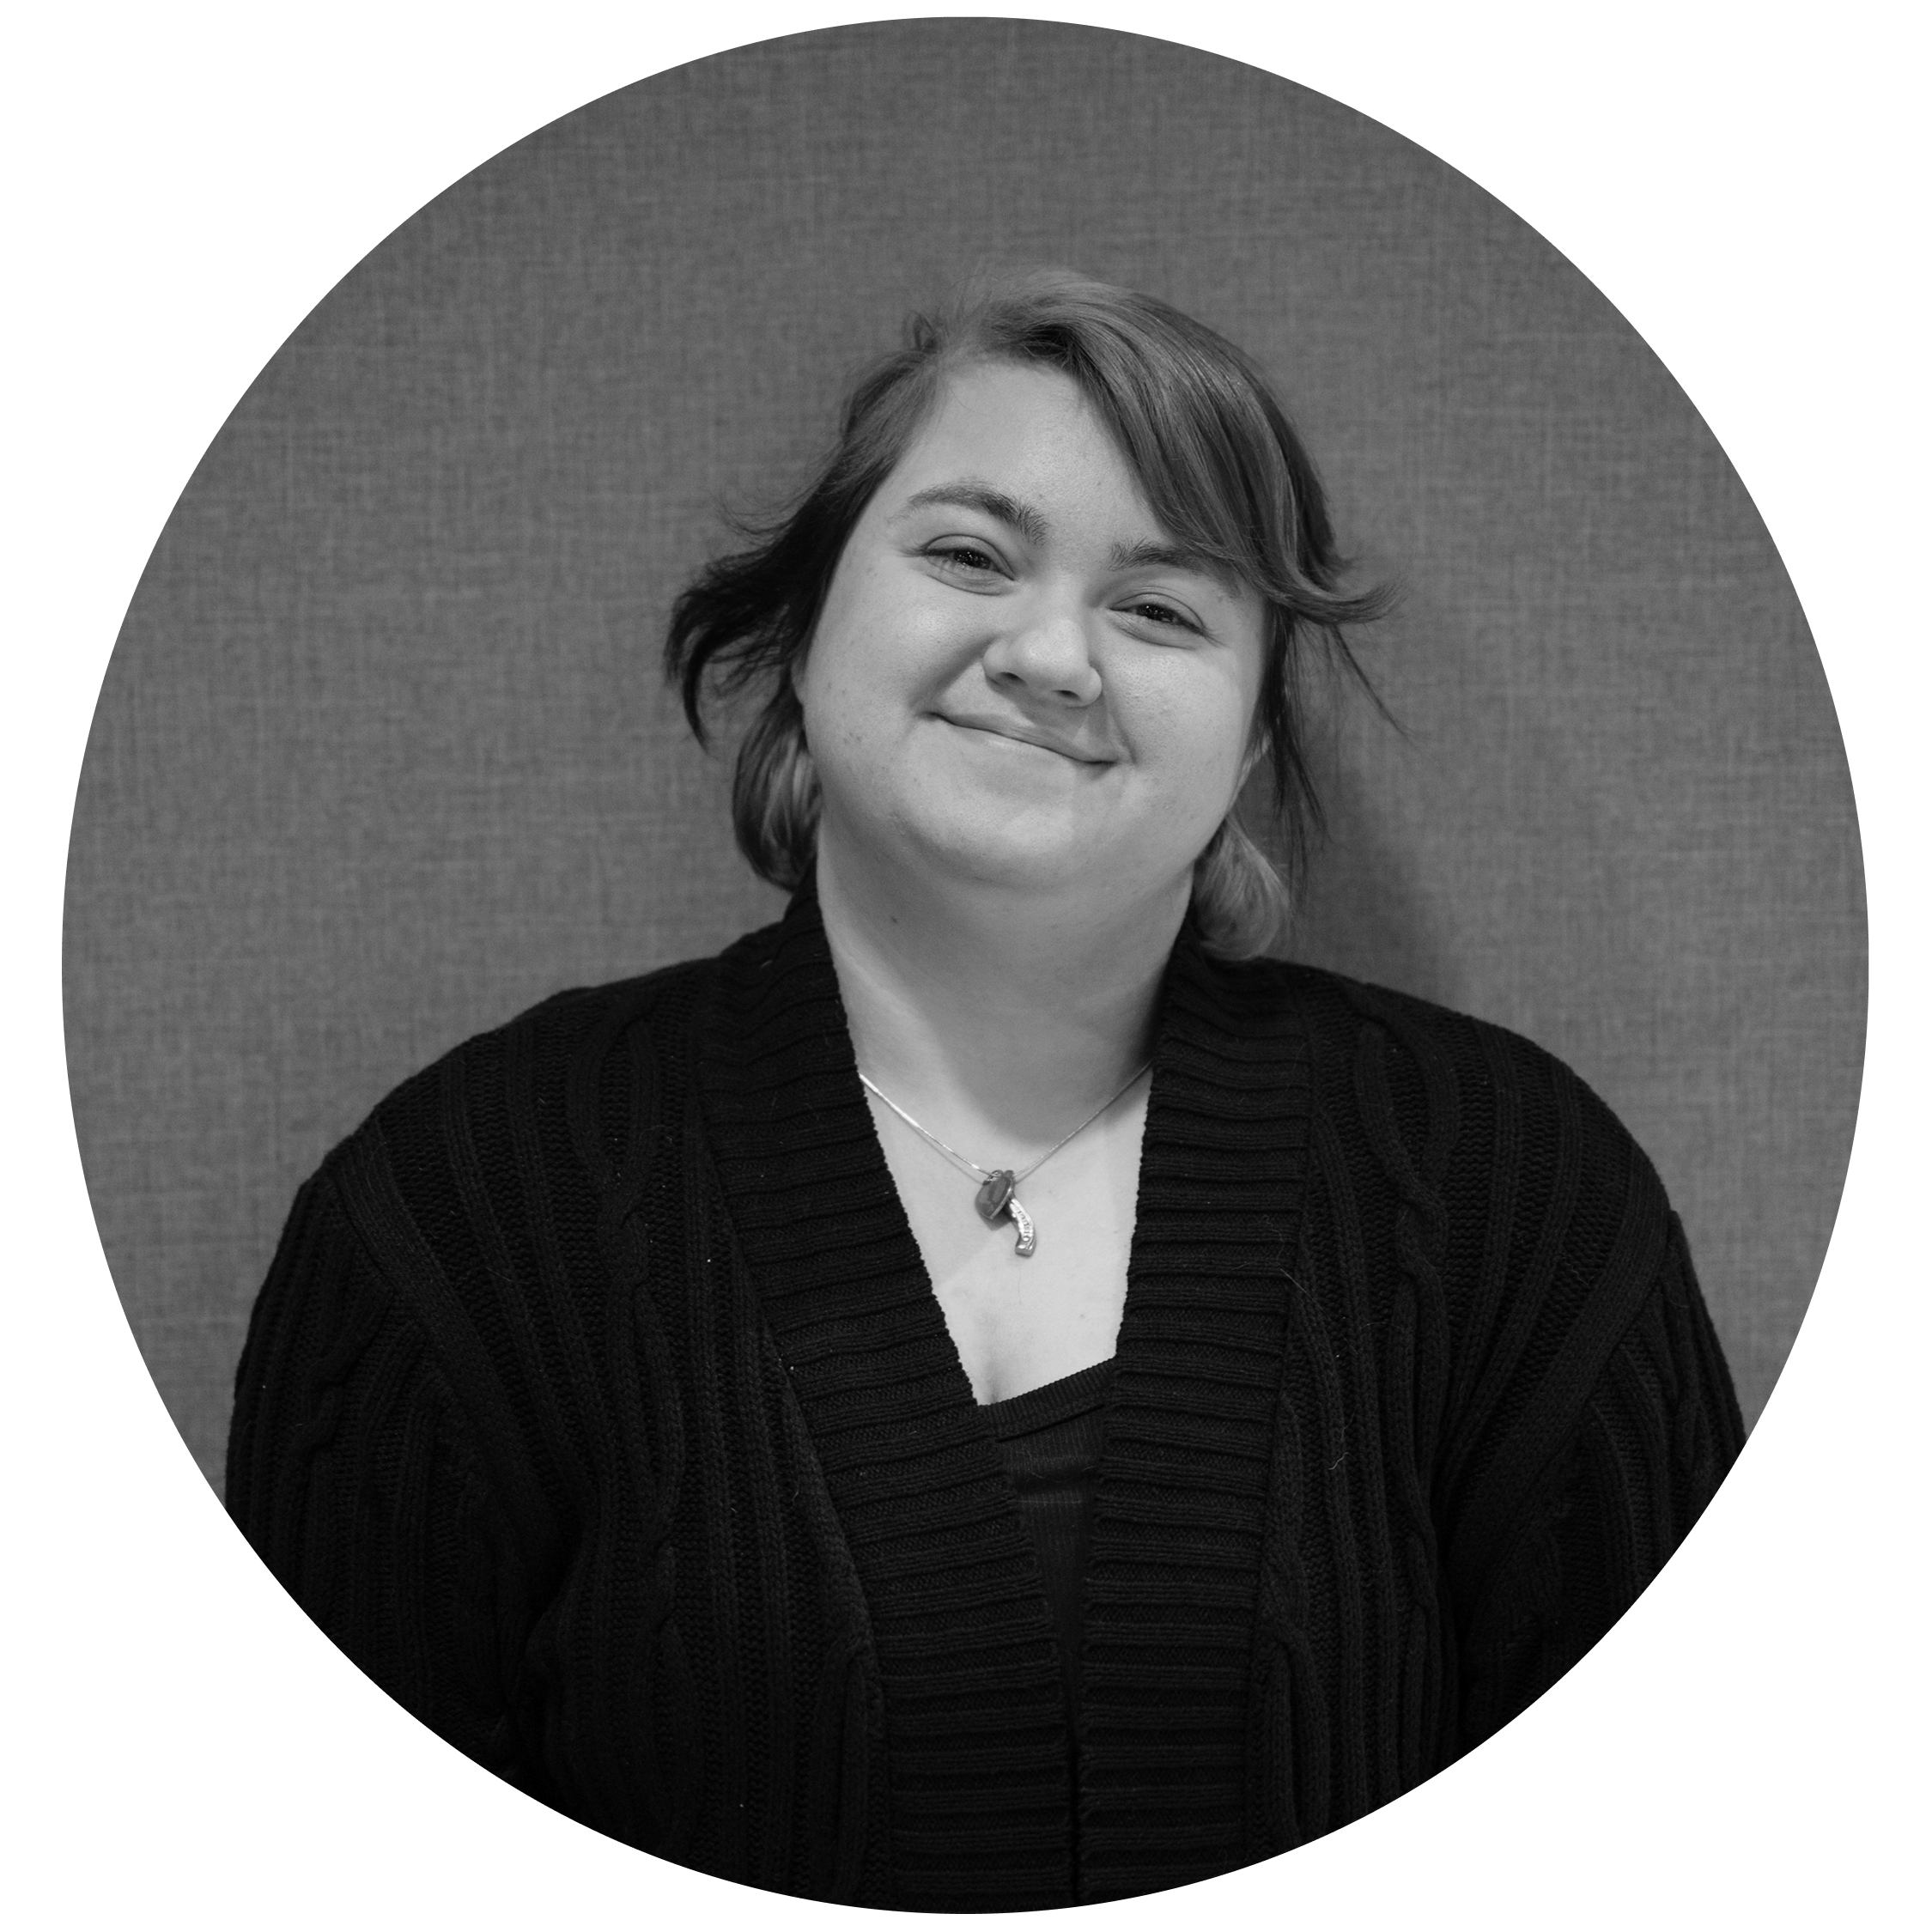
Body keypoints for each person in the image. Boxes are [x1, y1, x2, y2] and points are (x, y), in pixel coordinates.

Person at [227, 270, 1744, 1910]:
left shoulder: (1512, 1195)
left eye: (1162, 608)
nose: (1053, 654)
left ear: (1240, 746)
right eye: (967, 553)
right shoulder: (461, 1215)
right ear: (804, 631)